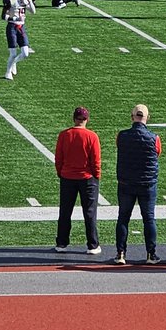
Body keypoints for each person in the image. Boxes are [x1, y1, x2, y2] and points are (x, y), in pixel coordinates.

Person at [113, 104, 162, 265]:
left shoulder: (122, 135)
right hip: (147, 183)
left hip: (126, 182)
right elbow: (157, 153)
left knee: (123, 218)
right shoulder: (154, 137)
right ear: (148, 117)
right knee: (149, 219)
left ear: (132, 116)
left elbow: (119, 147)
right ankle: (151, 254)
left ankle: (120, 253)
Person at [54, 106, 102, 256]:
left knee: (65, 211)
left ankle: (62, 243)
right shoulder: (92, 136)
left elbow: (58, 158)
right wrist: (97, 175)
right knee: (89, 212)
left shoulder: (64, 135)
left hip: (68, 177)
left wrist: (61, 172)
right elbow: (96, 160)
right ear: (86, 120)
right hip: (87, 178)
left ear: (74, 119)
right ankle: (92, 245)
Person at [2, 0, 36, 80]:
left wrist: (30, 0)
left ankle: (14, 63)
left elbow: (33, 12)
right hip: (12, 27)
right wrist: (15, 18)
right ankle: (7, 72)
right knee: (13, 53)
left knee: (25, 53)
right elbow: (3, 16)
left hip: (21, 27)